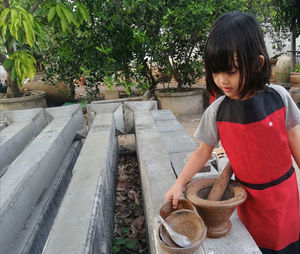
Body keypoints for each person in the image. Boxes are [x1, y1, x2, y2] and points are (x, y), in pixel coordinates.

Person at [165, 12, 300, 254]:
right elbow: (203, 152)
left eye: (231, 71)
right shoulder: (217, 111)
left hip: (284, 194)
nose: (221, 80)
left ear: (257, 64)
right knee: (256, 245)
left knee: (289, 244)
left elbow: (294, 137)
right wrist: (179, 183)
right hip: (249, 200)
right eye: (215, 71)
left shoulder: (279, 97)